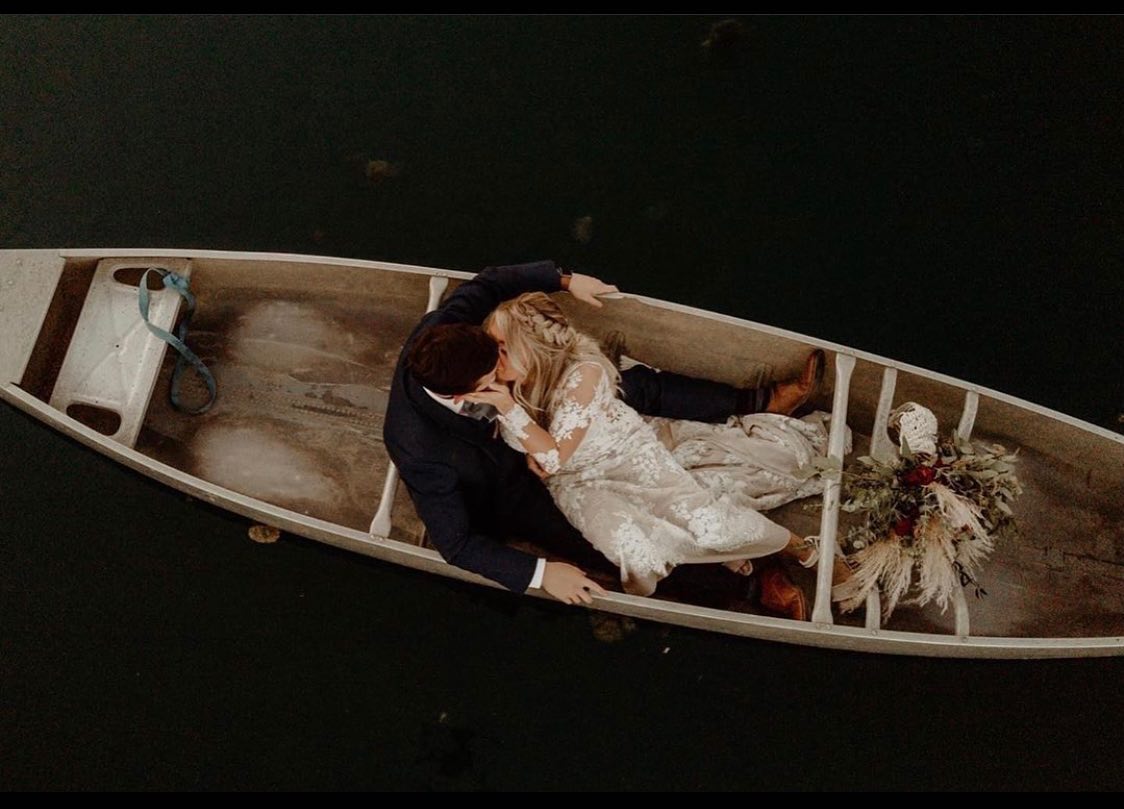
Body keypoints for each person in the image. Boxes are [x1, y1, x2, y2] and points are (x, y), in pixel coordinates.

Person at [383, 260, 825, 615]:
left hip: (545, 407)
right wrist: (540, 574)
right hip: (514, 484)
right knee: (605, 544)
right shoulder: (417, 447)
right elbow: (456, 543)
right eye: (491, 377)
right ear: (462, 395)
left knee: (634, 387)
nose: (501, 372)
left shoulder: (448, 329)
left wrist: (566, 280)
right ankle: (747, 585)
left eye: (497, 355)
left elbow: (491, 281)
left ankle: (758, 401)